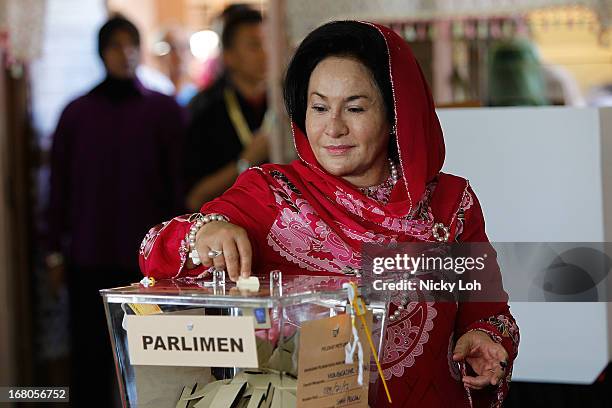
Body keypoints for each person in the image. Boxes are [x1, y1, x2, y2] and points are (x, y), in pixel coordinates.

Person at [139, 21, 519, 407]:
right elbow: (156, 250)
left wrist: (487, 338)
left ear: (395, 115)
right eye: (319, 107)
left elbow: (489, 312)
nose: (333, 128)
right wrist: (205, 234)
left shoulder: (449, 206)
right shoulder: (272, 196)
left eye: (354, 107)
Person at [47, 15, 186, 405]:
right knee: (89, 360)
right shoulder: (75, 114)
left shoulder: (164, 111)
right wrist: (54, 251)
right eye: (115, 46)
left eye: (131, 46)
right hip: (89, 256)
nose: (124, 54)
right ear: (101, 53)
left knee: (152, 359)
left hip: (148, 262)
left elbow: (179, 187)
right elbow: (58, 190)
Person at [184, 6, 269, 211]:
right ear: (229, 56)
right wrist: (246, 161)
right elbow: (194, 198)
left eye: (269, 42)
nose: (266, 52)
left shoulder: (291, 99)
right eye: (254, 45)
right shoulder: (204, 109)